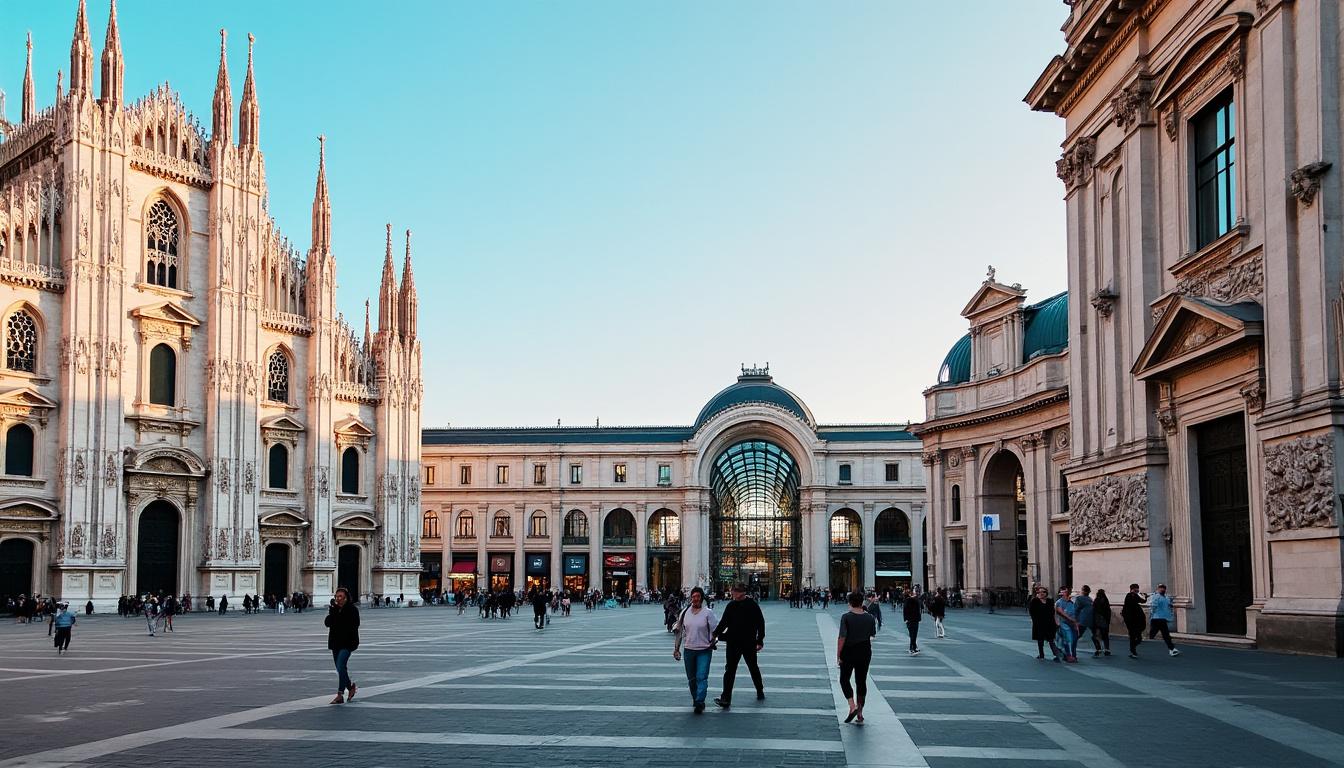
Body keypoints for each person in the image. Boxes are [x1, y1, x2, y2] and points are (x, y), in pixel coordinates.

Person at [712, 583, 766, 709]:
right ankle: (726, 698)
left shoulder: (752, 605)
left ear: (742, 593)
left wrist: (760, 641)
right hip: (733, 643)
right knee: (730, 670)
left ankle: (760, 690)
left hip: (749, 643)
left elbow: (760, 623)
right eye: (733, 591)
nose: (733, 593)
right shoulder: (731, 605)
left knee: (753, 667)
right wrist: (715, 634)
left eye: (735, 591)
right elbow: (724, 622)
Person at [671, 586, 718, 714]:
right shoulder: (685, 612)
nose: (695, 599)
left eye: (698, 597)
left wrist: (713, 641)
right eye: (693, 597)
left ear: (702, 598)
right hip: (689, 650)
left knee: (701, 677)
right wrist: (676, 649)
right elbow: (679, 632)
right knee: (692, 679)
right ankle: (695, 697)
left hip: (704, 650)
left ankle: (700, 701)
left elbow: (715, 631)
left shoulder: (708, 613)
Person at [836, 590, 877, 725]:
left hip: (848, 651)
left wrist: (838, 654)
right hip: (865, 651)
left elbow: (842, 637)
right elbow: (872, 634)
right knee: (861, 681)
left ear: (850, 602)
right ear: (861, 602)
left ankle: (852, 705)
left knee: (844, 679)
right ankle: (860, 713)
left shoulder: (846, 617)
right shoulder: (870, 618)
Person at [325, 587, 361, 704]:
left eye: (340, 596)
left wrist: (338, 617)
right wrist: (333, 611)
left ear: (346, 598)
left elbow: (355, 624)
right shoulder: (334, 610)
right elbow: (327, 623)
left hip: (347, 643)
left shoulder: (352, 609)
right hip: (335, 643)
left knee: (340, 666)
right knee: (340, 668)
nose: (338, 598)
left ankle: (340, 694)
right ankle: (350, 688)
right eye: (336, 596)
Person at [1029, 586, 1062, 661]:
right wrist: (1035, 622)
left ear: (1046, 593)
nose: (1041, 593)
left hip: (1049, 623)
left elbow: (1053, 613)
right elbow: (1032, 612)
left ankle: (1057, 655)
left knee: (1051, 640)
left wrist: (1056, 622)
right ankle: (1041, 655)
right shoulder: (1035, 601)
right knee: (1040, 640)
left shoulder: (1050, 601)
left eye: (1043, 592)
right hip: (1039, 624)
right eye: (1039, 592)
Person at [1148, 583, 1180, 656]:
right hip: (1156, 618)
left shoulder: (1166, 598)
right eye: (1161, 588)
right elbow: (1153, 606)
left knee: (1163, 634)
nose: (1162, 589)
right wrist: (1151, 614)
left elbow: (1169, 605)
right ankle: (1172, 649)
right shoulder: (1156, 596)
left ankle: (1172, 649)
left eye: (1163, 588)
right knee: (1164, 634)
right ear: (1158, 589)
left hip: (1163, 618)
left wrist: (1171, 605)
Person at [1054, 586, 1082, 663]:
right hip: (1064, 623)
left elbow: (1075, 612)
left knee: (1074, 640)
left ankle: (1073, 655)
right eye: (1062, 592)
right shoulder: (1059, 602)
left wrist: (1076, 623)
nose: (1064, 593)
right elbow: (1060, 612)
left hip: (1073, 623)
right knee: (1068, 639)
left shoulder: (1072, 602)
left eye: (1066, 592)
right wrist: (1071, 619)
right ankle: (1069, 656)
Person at [1121, 583, 1147, 658]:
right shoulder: (1130, 595)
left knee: (1138, 638)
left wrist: (1145, 597)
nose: (1137, 590)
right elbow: (1138, 601)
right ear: (1132, 589)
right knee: (1133, 636)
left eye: (1137, 588)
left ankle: (1132, 648)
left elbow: (1142, 601)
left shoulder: (1134, 595)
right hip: (1131, 620)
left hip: (1137, 620)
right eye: (1136, 589)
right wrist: (1143, 597)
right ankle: (1133, 651)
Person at [1074, 585, 1096, 656]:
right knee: (1080, 634)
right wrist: (1076, 619)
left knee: (1079, 634)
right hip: (1085, 619)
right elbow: (1076, 609)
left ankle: (1098, 649)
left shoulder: (1087, 599)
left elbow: (1076, 609)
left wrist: (1076, 619)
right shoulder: (1086, 599)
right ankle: (1071, 646)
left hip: (1085, 619)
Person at [1092, 588, 1112, 656]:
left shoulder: (1096, 600)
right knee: (1105, 636)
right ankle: (1107, 649)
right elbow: (1108, 611)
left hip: (1097, 621)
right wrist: (1108, 621)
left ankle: (1098, 649)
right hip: (1104, 621)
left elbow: (1093, 610)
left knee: (1095, 636)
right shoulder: (1105, 600)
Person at [902, 589, 922, 655]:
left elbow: (905, 610)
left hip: (912, 619)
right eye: (914, 592)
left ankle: (913, 647)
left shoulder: (912, 600)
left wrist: (905, 619)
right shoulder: (911, 600)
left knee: (913, 634)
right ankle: (912, 648)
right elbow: (905, 610)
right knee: (913, 634)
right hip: (912, 619)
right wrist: (906, 619)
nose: (915, 593)